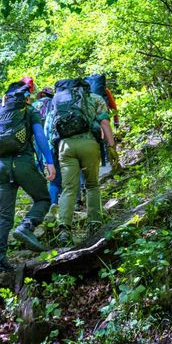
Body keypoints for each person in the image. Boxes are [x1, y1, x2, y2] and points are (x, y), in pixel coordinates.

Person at [0, 81, 56, 272]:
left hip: (0, 167)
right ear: (23, 95)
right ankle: (26, 226)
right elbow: (40, 136)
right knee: (43, 199)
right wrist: (49, 161)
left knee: (5, 215)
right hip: (22, 163)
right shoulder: (27, 110)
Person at [48, 78, 119, 245]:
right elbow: (104, 122)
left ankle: (64, 229)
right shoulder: (95, 98)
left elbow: (52, 125)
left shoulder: (58, 100)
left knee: (68, 189)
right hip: (88, 143)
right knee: (92, 185)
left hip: (65, 146)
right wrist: (112, 147)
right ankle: (94, 224)